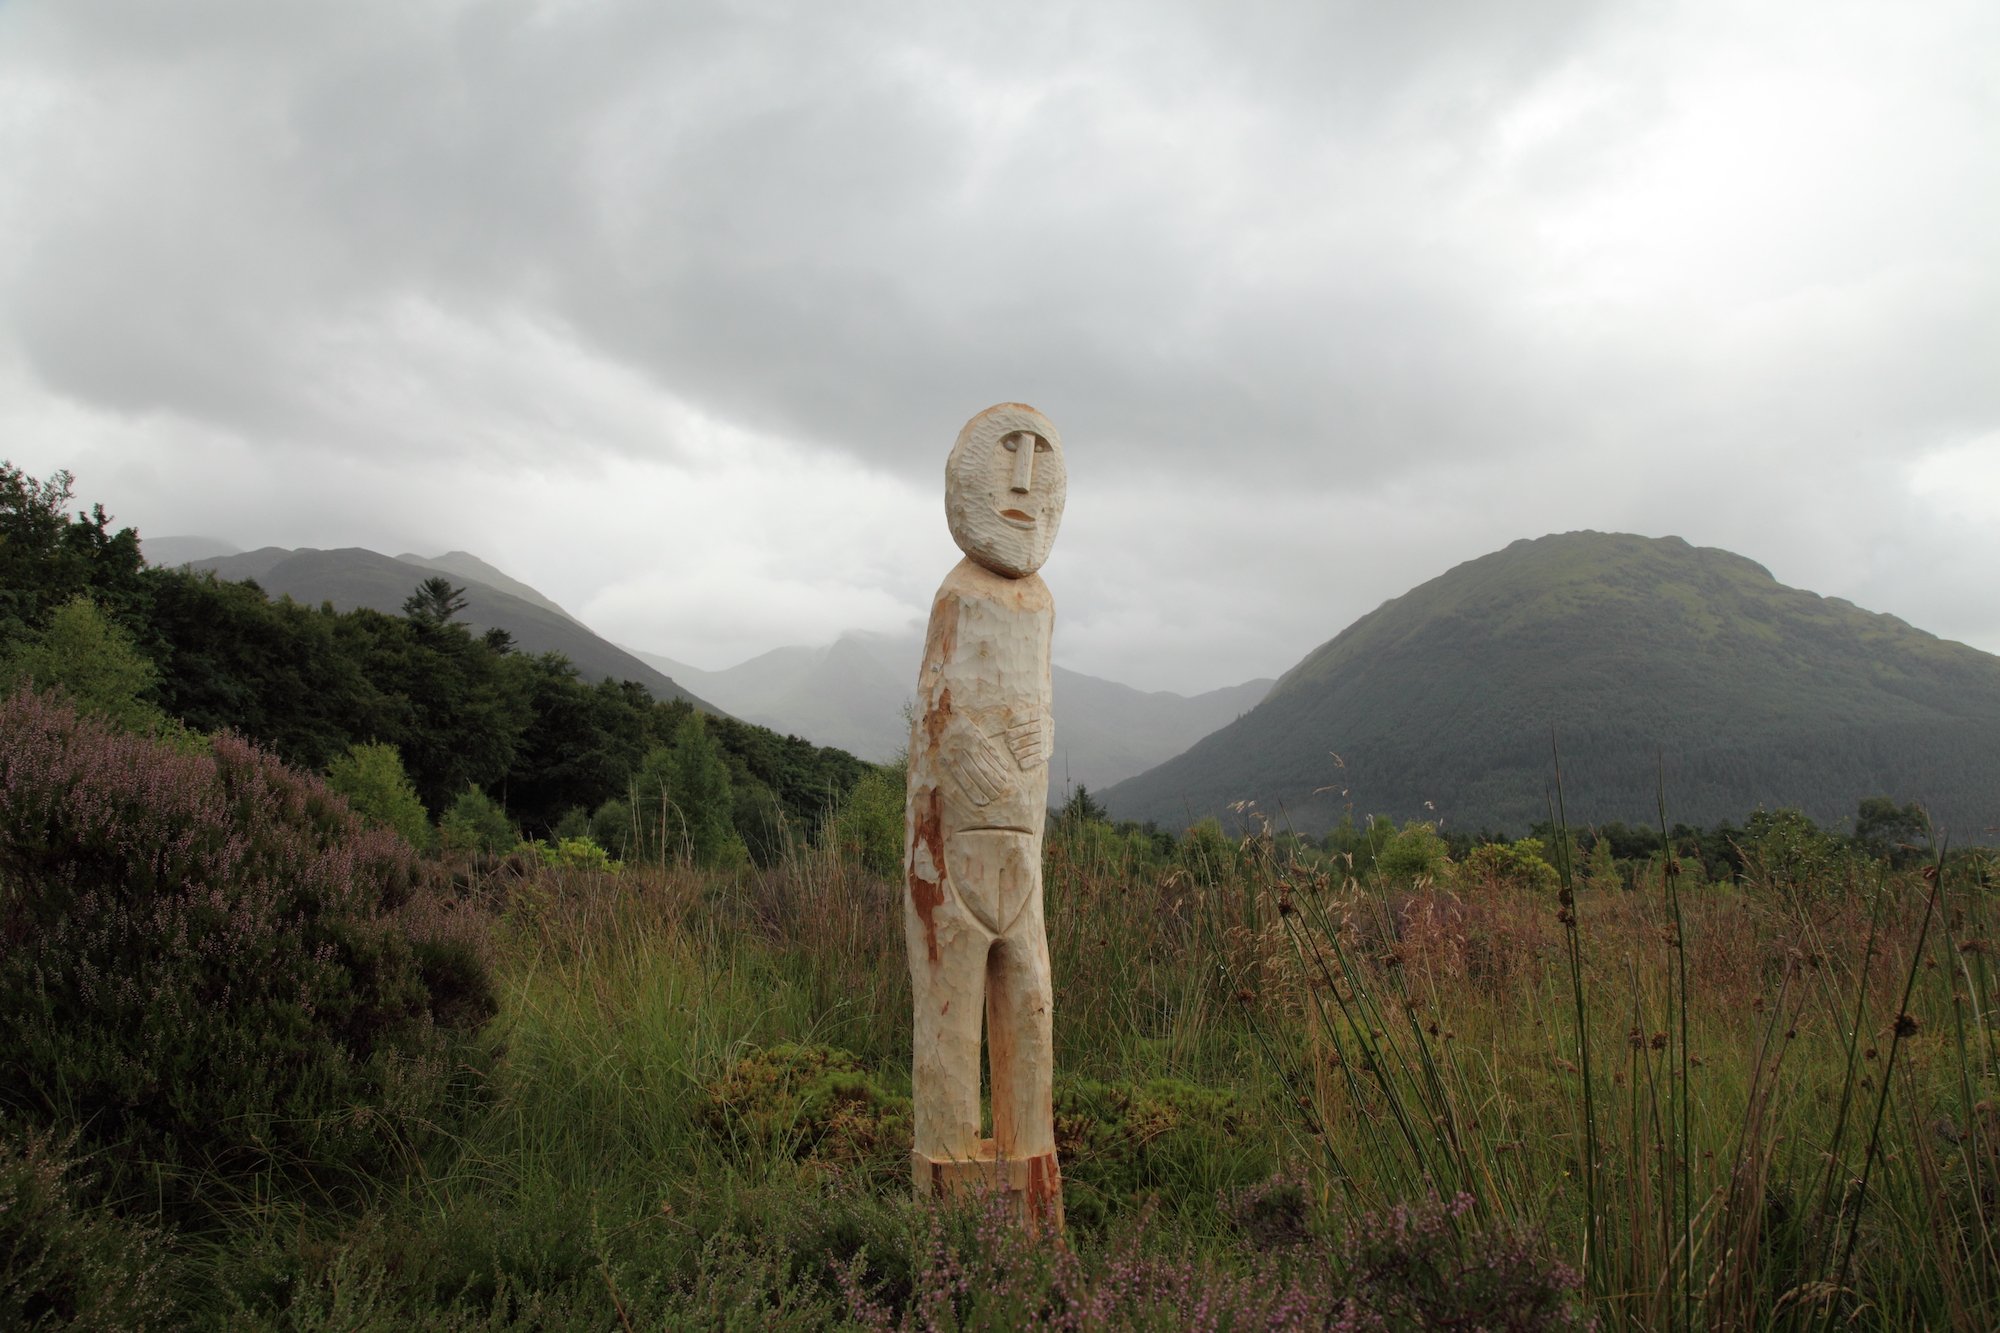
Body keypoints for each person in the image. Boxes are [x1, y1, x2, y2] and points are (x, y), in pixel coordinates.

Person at [904, 402, 1067, 1229]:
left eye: (1041, 457)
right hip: (951, 858)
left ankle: (1032, 1161)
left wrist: (1044, 729)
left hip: (1023, 864)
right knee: (949, 1024)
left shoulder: (1042, 605)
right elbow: (934, 697)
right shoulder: (958, 595)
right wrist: (953, 735)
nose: (1024, 480)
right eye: (1007, 452)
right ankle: (949, 1190)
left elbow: (1039, 695)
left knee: (1032, 1007)